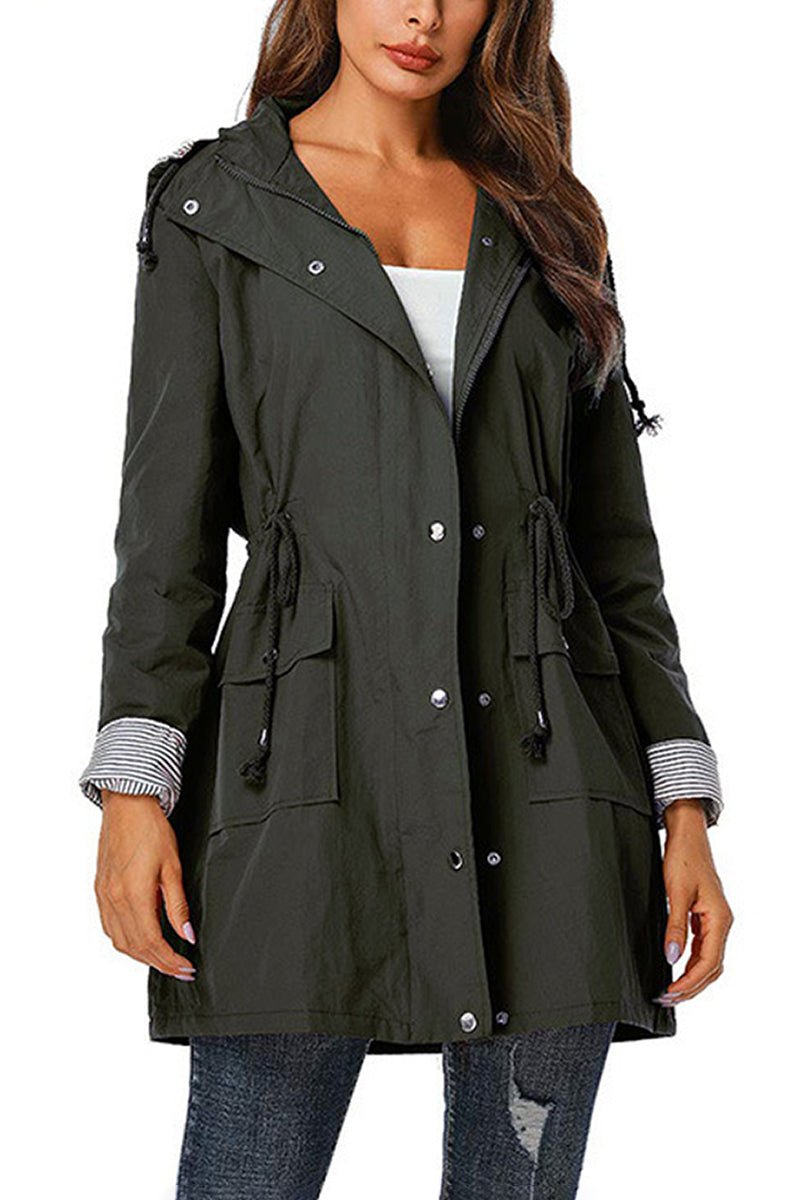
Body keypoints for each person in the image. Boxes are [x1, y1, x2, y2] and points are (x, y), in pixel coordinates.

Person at [78, 2, 734, 1196]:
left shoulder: (546, 219)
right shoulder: (218, 208)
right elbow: (165, 538)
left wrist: (681, 805)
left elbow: (615, 555)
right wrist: (134, 790)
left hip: (550, 797)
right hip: (299, 782)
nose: (422, 13)